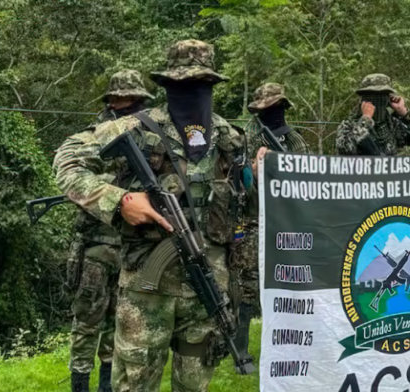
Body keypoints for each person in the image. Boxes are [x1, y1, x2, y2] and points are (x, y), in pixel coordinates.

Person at [54, 40, 263, 392]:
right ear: (166, 86)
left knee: (194, 386)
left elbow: (245, 206)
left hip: (207, 291)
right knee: (134, 385)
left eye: (201, 85)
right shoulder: (134, 128)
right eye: (182, 85)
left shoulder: (230, 138)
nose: (192, 92)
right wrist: (119, 200)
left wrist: (259, 178)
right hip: (145, 292)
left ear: (212, 85)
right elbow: (67, 160)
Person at [64, 69, 153, 392]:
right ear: (111, 103)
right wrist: (116, 194)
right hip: (95, 247)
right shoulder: (93, 137)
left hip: (134, 249)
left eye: (135, 103)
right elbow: (72, 177)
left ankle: (106, 384)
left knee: (121, 322)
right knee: (87, 322)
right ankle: (80, 385)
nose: (128, 108)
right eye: (122, 102)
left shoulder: (151, 138)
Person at [229, 82, 309, 360]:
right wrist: (252, 169)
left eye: (278, 107)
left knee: (290, 286)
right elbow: (234, 180)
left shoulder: (295, 140)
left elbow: (306, 178)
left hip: (286, 222)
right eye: (267, 108)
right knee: (246, 286)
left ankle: (289, 347)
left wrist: (280, 165)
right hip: (252, 220)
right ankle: (240, 351)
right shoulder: (243, 137)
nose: (274, 112)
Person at [336, 73, 410, 156]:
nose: (376, 100)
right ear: (362, 99)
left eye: (382, 95)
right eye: (369, 95)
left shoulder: (393, 124)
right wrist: (366, 119)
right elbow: (345, 151)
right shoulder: (349, 125)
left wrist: (404, 112)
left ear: (388, 98)